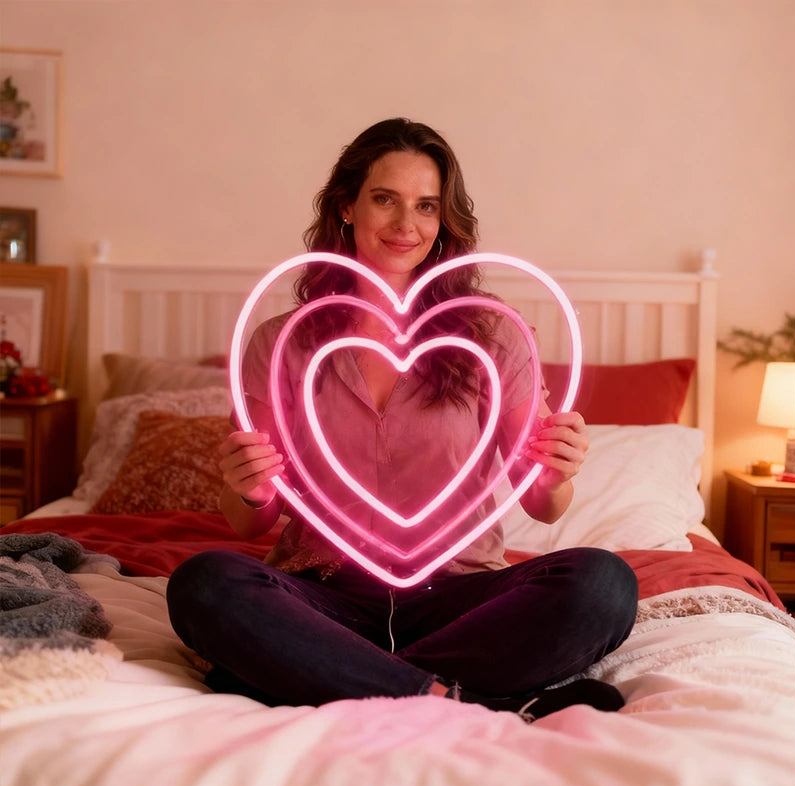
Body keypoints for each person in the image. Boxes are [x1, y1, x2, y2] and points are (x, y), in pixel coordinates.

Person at [167, 118, 638, 721]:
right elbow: (246, 523)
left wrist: (556, 472)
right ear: (347, 206)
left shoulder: (493, 334)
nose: (405, 224)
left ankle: (327, 672)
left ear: (444, 220)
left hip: (458, 595)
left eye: (426, 206)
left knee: (603, 584)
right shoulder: (280, 342)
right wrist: (250, 490)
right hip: (325, 593)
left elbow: (543, 506)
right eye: (385, 199)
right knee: (205, 583)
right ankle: (468, 699)